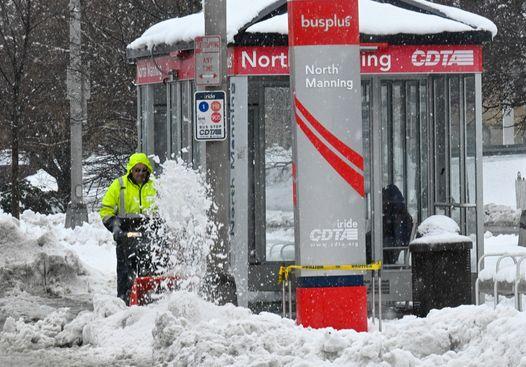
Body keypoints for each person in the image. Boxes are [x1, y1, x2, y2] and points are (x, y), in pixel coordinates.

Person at [99, 152, 157, 303]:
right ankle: (125, 302)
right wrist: (115, 226)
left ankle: (149, 301)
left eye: (144, 170)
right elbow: (106, 210)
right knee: (126, 272)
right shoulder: (119, 185)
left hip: (148, 234)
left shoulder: (155, 186)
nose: (140, 173)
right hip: (126, 235)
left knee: (150, 270)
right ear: (131, 170)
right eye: (137, 170)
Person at [382, 184, 413, 264]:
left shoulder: (396, 216)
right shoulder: (400, 213)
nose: (382, 203)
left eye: (383, 199)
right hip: (393, 246)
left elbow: (398, 240)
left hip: (390, 250)